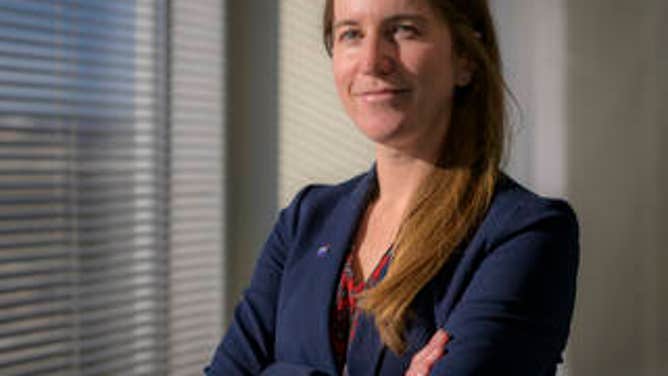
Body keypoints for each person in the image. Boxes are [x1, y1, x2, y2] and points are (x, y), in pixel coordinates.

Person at [205, 0, 579, 374]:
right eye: (351, 34)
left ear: (465, 58)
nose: (371, 61)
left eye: (404, 30)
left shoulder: (525, 233)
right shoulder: (306, 219)